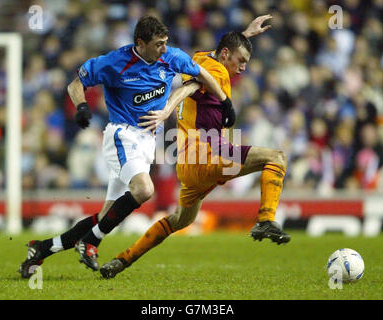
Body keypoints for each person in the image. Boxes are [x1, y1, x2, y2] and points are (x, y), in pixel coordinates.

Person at [19, 15, 232, 278]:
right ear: (140, 43)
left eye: (166, 43)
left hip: (147, 142)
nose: (163, 49)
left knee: (107, 216)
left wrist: (225, 102)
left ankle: (41, 249)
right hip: (123, 135)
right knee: (144, 190)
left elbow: (202, 74)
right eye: (158, 44)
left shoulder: (171, 57)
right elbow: (75, 85)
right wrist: (82, 106)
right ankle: (92, 241)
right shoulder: (113, 63)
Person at [99, 15, 290, 279]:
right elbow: (191, 85)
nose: (243, 68)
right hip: (207, 154)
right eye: (241, 61)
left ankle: (122, 260)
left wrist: (245, 33)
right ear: (225, 55)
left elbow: (218, 52)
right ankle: (266, 220)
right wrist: (166, 109)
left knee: (181, 220)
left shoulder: (202, 57)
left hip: (190, 164)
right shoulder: (217, 70)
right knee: (276, 157)